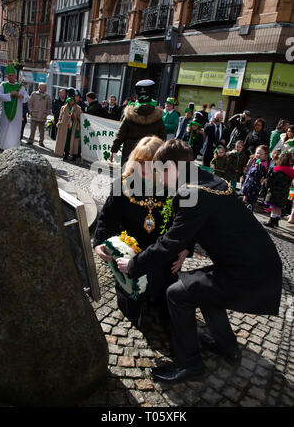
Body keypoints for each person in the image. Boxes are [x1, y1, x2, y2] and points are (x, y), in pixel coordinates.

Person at [116, 139, 282, 383]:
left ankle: (190, 365)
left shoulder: (191, 192)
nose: (160, 181)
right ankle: (229, 348)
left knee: (177, 293)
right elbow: (198, 225)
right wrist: (185, 246)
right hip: (259, 266)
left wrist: (133, 265)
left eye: (160, 173)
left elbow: (170, 241)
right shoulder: (208, 180)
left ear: (171, 168)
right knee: (198, 286)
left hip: (250, 276)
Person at [94, 136, 189, 326]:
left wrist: (186, 248)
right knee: (133, 302)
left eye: (149, 163)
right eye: (139, 161)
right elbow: (108, 217)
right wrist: (99, 243)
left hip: (162, 253)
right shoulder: (123, 184)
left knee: (162, 299)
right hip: (130, 251)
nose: (143, 167)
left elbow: (186, 223)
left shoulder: (175, 187)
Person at [110, 80, 166, 166]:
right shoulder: (158, 118)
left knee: (127, 176)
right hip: (149, 154)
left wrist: (114, 150)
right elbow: (162, 138)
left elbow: (120, 135)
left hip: (130, 153)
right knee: (144, 177)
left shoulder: (129, 115)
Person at [0, 64, 29, 153]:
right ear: (7, 76)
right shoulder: (3, 85)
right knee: (4, 128)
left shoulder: (20, 86)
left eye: (12, 75)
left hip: (17, 112)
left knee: (14, 129)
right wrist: (10, 94)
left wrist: (19, 95)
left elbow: (26, 97)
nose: (11, 77)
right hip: (5, 111)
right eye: (9, 75)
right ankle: (2, 146)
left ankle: (13, 147)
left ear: (15, 76)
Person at [264, 150, 294, 228]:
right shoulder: (291, 171)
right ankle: (276, 221)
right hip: (284, 192)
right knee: (279, 208)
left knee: (274, 207)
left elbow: (270, 181)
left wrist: (267, 185)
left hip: (274, 192)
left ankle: (271, 221)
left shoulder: (275, 169)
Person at [240, 144, 269, 211]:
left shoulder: (263, 164)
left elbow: (262, 175)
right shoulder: (254, 160)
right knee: (245, 195)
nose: (258, 155)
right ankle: (244, 204)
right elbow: (249, 169)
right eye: (257, 153)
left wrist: (259, 167)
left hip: (254, 184)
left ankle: (249, 209)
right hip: (248, 181)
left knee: (250, 199)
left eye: (261, 154)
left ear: (265, 155)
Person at [54, 96, 82, 161]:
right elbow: (60, 116)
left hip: (73, 127)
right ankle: (65, 154)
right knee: (65, 141)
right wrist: (59, 122)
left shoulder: (78, 108)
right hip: (64, 127)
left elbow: (81, 117)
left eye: (72, 100)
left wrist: (77, 118)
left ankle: (74, 155)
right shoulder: (63, 108)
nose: (71, 102)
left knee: (74, 142)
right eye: (70, 100)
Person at [27, 83, 51, 148]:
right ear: (39, 87)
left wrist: (47, 113)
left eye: (45, 87)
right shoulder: (34, 94)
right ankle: (31, 140)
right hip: (34, 114)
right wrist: (31, 111)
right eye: (43, 87)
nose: (44, 89)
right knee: (32, 129)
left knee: (42, 131)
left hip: (42, 116)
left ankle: (41, 142)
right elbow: (30, 103)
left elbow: (49, 106)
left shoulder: (47, 96)